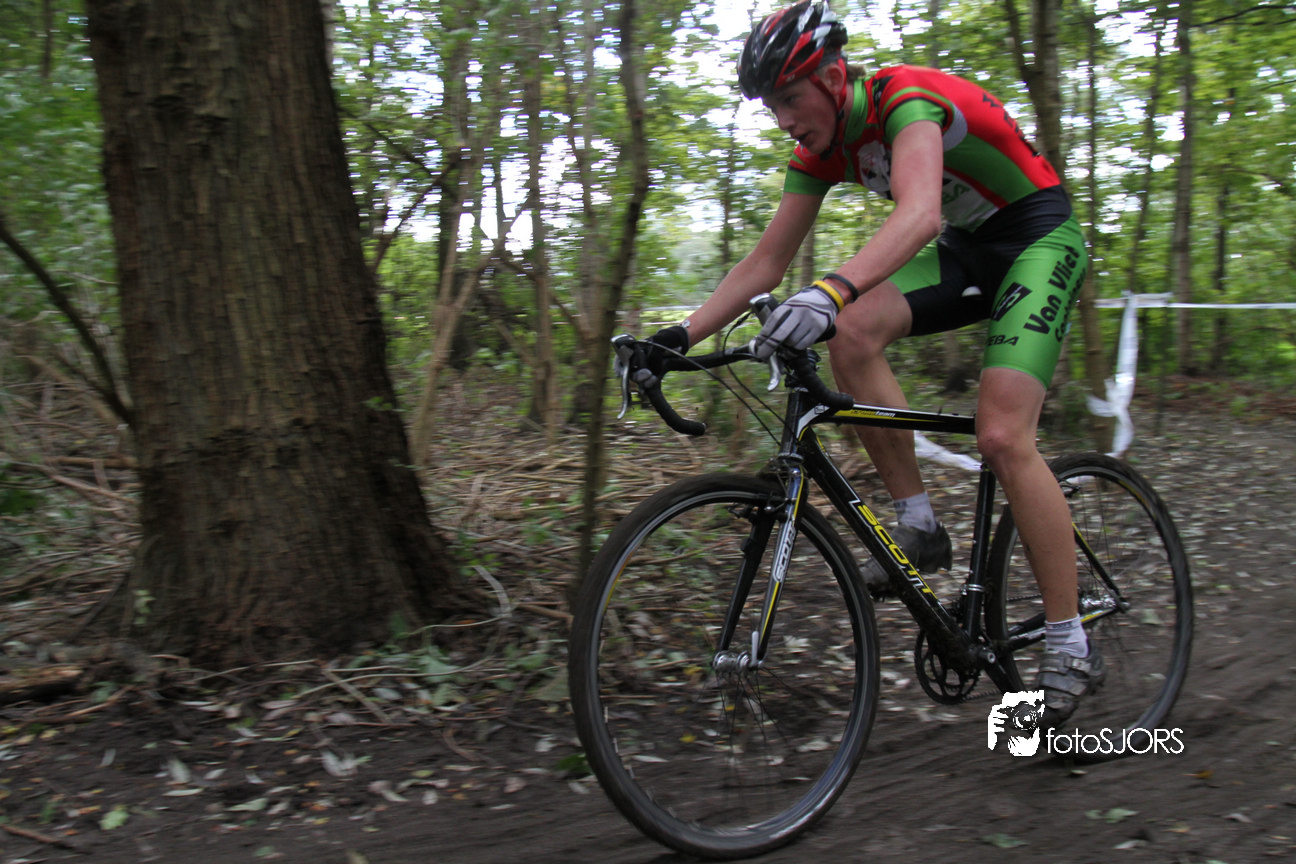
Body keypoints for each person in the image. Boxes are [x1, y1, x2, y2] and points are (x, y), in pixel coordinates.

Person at [638, 2, 1101, 724]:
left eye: (790, 98)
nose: (783, 120)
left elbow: (919, 215)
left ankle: (1070, 642)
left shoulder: (903, 98)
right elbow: (765, 261)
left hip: (1039, 240)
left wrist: (829, 290)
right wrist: (677, 336)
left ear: (831, 78)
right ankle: (919, 525)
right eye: (771, 106)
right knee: (850, 333)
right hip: (971, 254)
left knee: (1003, 437)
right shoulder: (820, 149)